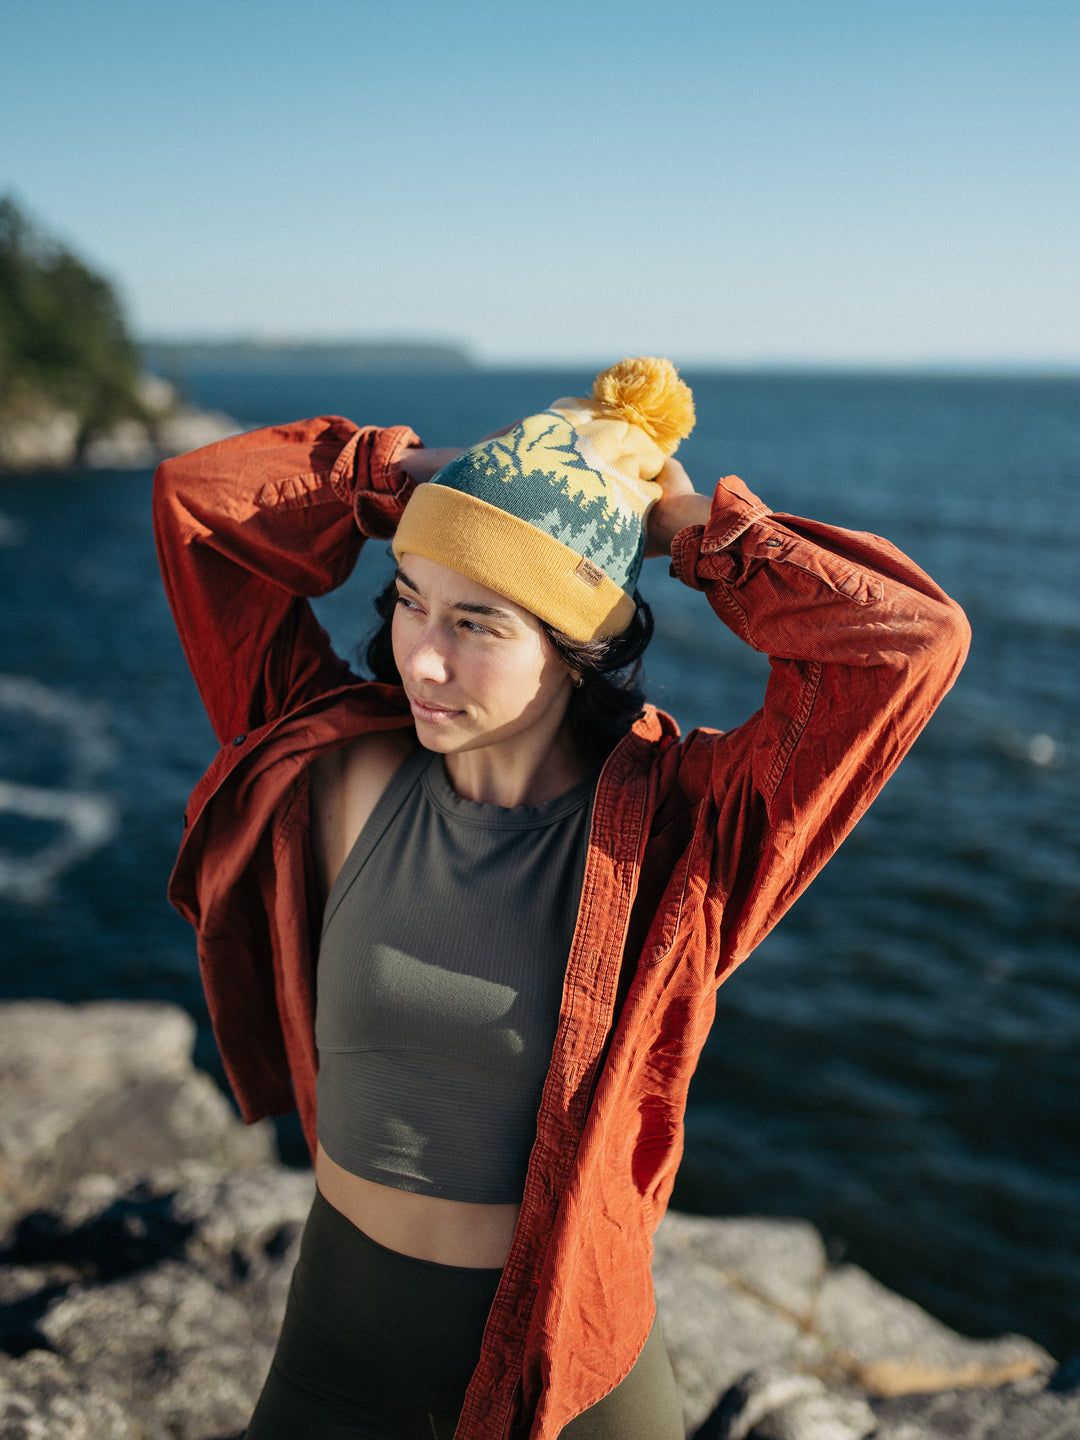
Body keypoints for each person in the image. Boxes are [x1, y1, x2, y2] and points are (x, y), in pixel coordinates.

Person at [153, 358, 969, 1440]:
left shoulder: (686, 836)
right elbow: (198, 504)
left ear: (576, 645)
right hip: (333, 1358)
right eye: (409, 603)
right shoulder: (327, 760)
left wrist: (686, 529)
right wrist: (436, 480)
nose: (422, 662)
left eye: (478, 625)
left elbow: (910, 642)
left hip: (567, 1381)